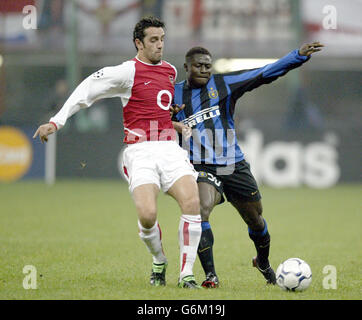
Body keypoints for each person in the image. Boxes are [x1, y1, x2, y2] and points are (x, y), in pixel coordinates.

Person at [33, 16, 203, 289]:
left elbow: (155, 110)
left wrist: (174, 123)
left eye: (162, 39)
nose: (160, 45)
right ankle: (159, 260)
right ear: (138, 43)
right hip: (140, 152)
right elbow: (88, 88)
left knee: (192, 203)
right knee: (147, 214)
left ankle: (187, 275)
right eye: (153, 40)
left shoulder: (170, 71)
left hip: (169, 148)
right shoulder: (127, 71)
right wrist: (57, 121)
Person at [172, 42, 324, 288]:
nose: (203, 70)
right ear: (186, 67)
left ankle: (262, 261)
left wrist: (297, 56)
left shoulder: (223, 84)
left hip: (233, 165)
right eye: (198, 65)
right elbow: (154, 121)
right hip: (200, 166)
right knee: (200, 211)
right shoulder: (172, 96)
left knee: (256, 220)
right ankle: (211, 275)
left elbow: (262, 73)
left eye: (208, 66)